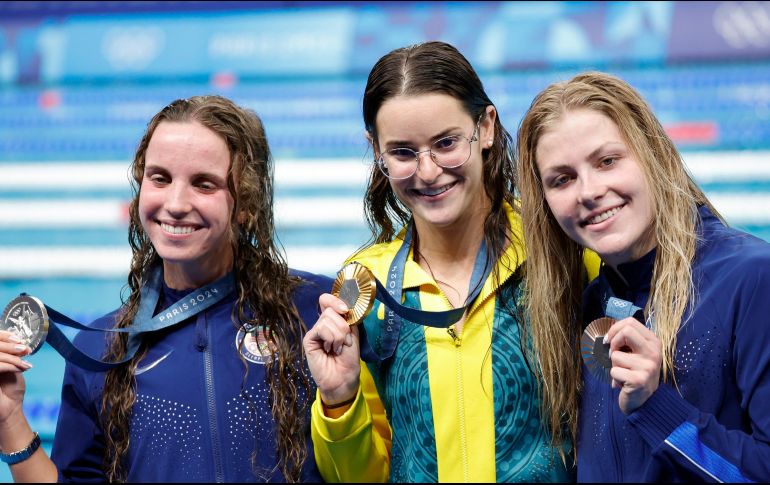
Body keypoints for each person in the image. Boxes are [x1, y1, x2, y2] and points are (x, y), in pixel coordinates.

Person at [0, 96, 331, 482]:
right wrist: (9, 419)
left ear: (246, 204)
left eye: (203, 184)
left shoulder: (314, 312)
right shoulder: (100, 353)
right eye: (160, 178)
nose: (175, 204)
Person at [303, 41, 585, 482]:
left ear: (486, 126)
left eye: (446, 143)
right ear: (376, 149)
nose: (429, 171)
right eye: (402, 152)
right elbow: (360, 478)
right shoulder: (366, 286)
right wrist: (340, 399)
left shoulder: (561, 251)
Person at [516, 71, 770, 482]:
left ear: (653, 153)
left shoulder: (752, 279)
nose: (589, 191)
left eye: (607, 161)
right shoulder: (588, 304)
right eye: (562, 179)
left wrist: (655, 407)